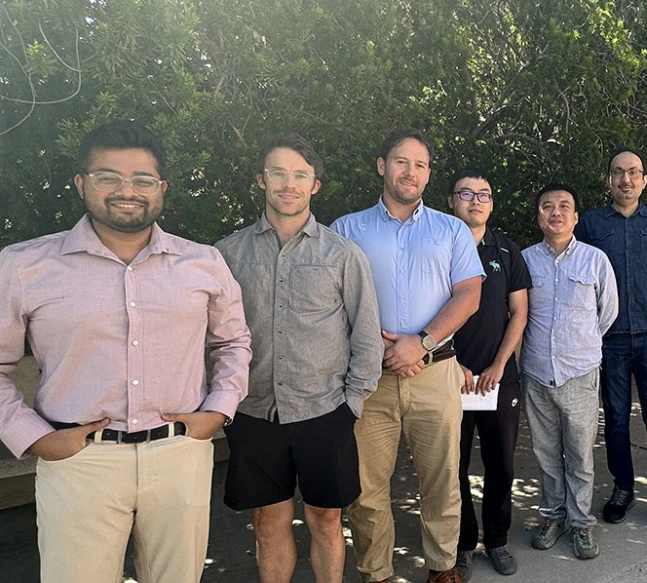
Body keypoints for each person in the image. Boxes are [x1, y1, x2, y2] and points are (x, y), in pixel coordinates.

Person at [0, 120, 252, 582]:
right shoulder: (24, 267)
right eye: (108, 176)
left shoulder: (203, 263)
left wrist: (218, 410)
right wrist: (32, 437)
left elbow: (233, 342)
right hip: (79, 461)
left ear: (162, 188)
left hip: (179, 455)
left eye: (142, 179)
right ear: (81, 183)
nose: (126, 190)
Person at [215, 133, 384, 583]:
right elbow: (212, 336)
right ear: (261, 180)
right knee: (267, 524)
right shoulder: (227, 254)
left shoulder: (343, 254)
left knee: (326, 521)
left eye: (300, 175)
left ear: (315, 185)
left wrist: (352, 404)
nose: (288, 184)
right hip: (254, 413)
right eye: (278, 173)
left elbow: (366, 335)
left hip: (325, 411)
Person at [332, 128, 484, 583]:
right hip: (368, 379)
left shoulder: (451, 229)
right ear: (382, 166)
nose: (410, 171)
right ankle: (375, 573)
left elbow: (469, 294)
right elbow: (333, 299)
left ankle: (441, 567)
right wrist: (379, 347)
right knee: (366, 490)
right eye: (401, 161)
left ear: (428, 173)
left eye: (420, 164)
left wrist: (420, 342)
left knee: (442, 481)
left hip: (436, 374)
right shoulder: (347, 229)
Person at [575, 147, 647, 540]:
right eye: (618, 173)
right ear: (609, 180)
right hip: (609, 340)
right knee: (618, 420)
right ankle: (622, 488)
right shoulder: (590, 223)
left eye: (633, 172)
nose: (626, 179)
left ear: (644, 180)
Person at [521, 184, 618, 560]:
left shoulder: (595, 261)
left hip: (579, 375)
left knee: (579, 455)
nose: (556, 213)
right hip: (537, 374)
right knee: (546, 454)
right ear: (539, 217)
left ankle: (581, 525)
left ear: (576, 217)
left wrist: (581, 348)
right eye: (547, 207)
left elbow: (606, 314)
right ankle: (552, 516)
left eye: (564, 207)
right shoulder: (526, 260)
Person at [445, 169, 532, 580]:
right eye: (466, 193)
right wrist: (450, 363)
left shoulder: (508, 252)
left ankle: (497, 540)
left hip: (500, 379)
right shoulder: (438, 246)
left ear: (492, 203)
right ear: (451, 201)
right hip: (447, 376)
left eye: (484, 194)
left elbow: (520, 313)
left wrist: (499, 365)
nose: (475, 201)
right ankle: (462, 544)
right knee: (453, 467)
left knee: (501, 465)